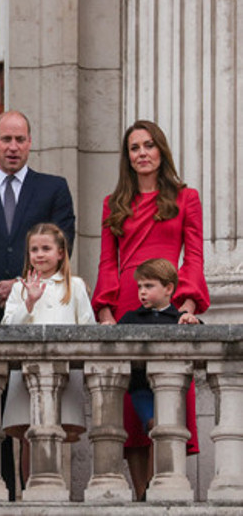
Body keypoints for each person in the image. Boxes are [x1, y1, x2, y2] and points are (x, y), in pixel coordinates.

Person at [0, 110, 75, 497]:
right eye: (6, 139)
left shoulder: (53, 188)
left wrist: (21, 285)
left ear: (29, 142)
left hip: (39, 310)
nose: (13, 147)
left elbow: (63, 240)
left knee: (35, 412)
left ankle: (35, 491)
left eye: (20, 139)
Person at [91, 120, 209, 499]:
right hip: (127, 304)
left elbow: (193, 257)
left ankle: (168, 487)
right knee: (130, 406)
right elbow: (107, 263)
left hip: (170, 305)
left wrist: (187, 306)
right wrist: (106, 314)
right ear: (127, 157)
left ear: (161, 151)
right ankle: (141, 495)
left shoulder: (185, 198)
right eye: (134, 148)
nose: (142, 153)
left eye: (148, 145)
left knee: (169, 397)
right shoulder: (114, 204)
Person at [1, 223, 94, 487]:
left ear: (61, 252)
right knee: (29, 433)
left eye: (46, 248)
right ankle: (31, 489)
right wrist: (28, 302)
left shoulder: (74, 286)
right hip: (26, 371)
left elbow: (88, 327)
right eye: (34, 249)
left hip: (65, 370)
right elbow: (7, 329)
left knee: (58, 431)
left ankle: (55, 488)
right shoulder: (20, 288)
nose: (39, 254)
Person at [118, 258, 200, 501]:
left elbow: (204, 337)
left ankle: (152, 489)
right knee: (154, 426)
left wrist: (193, 321)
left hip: (172, 391)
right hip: (140, 389)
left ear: (169, 288)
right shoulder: (131, 318)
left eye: (149, 286)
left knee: (164, 428)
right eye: (140, 286)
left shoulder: (179, 318)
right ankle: (145, 490)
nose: (142, 292)